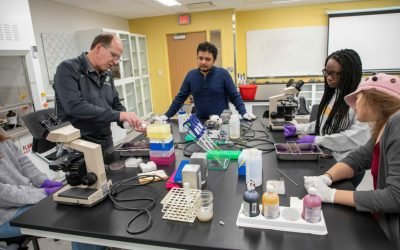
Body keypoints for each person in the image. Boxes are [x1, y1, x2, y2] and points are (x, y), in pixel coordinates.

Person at [304, 73, 400, 248]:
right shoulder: (384, 126)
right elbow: (359, 158)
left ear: (374, 98)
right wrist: (326, 177)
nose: (354, 105)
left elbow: (394, 197)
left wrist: (331, 195)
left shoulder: (398, 124)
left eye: (358, 98)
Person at [54, 33, 145, 164]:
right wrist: (119, 115)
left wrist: (131, 121)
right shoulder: (68, 69)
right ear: (99, 48)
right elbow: (74, 106)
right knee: (92, 183)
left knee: (114, 180)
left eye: (118, 58)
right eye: (113, 55)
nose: (115, 62)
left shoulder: (107, 74)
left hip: (105, 142)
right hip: (80, 146)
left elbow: (116, 105)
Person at [284, 49, 370, 161]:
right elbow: (323, 123)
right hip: (327, 153)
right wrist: (298, 128)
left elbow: (356, 138)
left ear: (349, 73)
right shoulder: (336, 93)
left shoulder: (364, 100)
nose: (328, 78)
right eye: (327, 72)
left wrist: (318, 140)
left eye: (333, 73)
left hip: (346, 162)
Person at [162, 41, 256, 121]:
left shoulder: (223, 74)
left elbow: (235, 96)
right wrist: (166, 115)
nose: (203, 62)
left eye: (207, 59)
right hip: (200, 123)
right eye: (200, 58)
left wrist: (244, 113)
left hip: (222, 123)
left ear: (214, 60)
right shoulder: (191, 75)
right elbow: (180, 98)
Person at [0, 133, 63, 248]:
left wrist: (43, 181)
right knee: (67, 216)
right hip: (4, 216)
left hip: (23, 200)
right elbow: (3, 194)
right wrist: (44, 193)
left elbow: (23, 162)